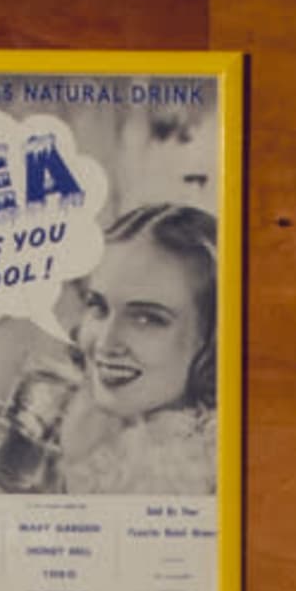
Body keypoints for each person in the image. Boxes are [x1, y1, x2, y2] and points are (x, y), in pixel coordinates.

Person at [51, 204, 221, 495]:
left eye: (146, 318)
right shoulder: (88, 435)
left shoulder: (208, 473)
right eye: (98, 306)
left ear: (212, 335)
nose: (105, 342)